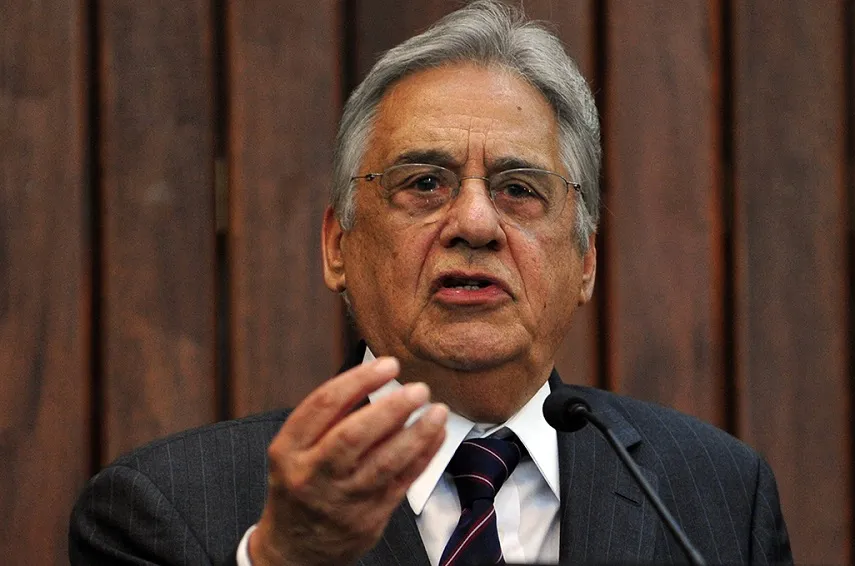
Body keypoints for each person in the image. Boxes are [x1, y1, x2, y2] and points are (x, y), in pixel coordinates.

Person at [70, 1, 793, 564]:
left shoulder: (718, 496)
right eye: (424, 183)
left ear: (585, 261)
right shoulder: (165, 508)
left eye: (519, 189)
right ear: (338, 246)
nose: (474, 223)